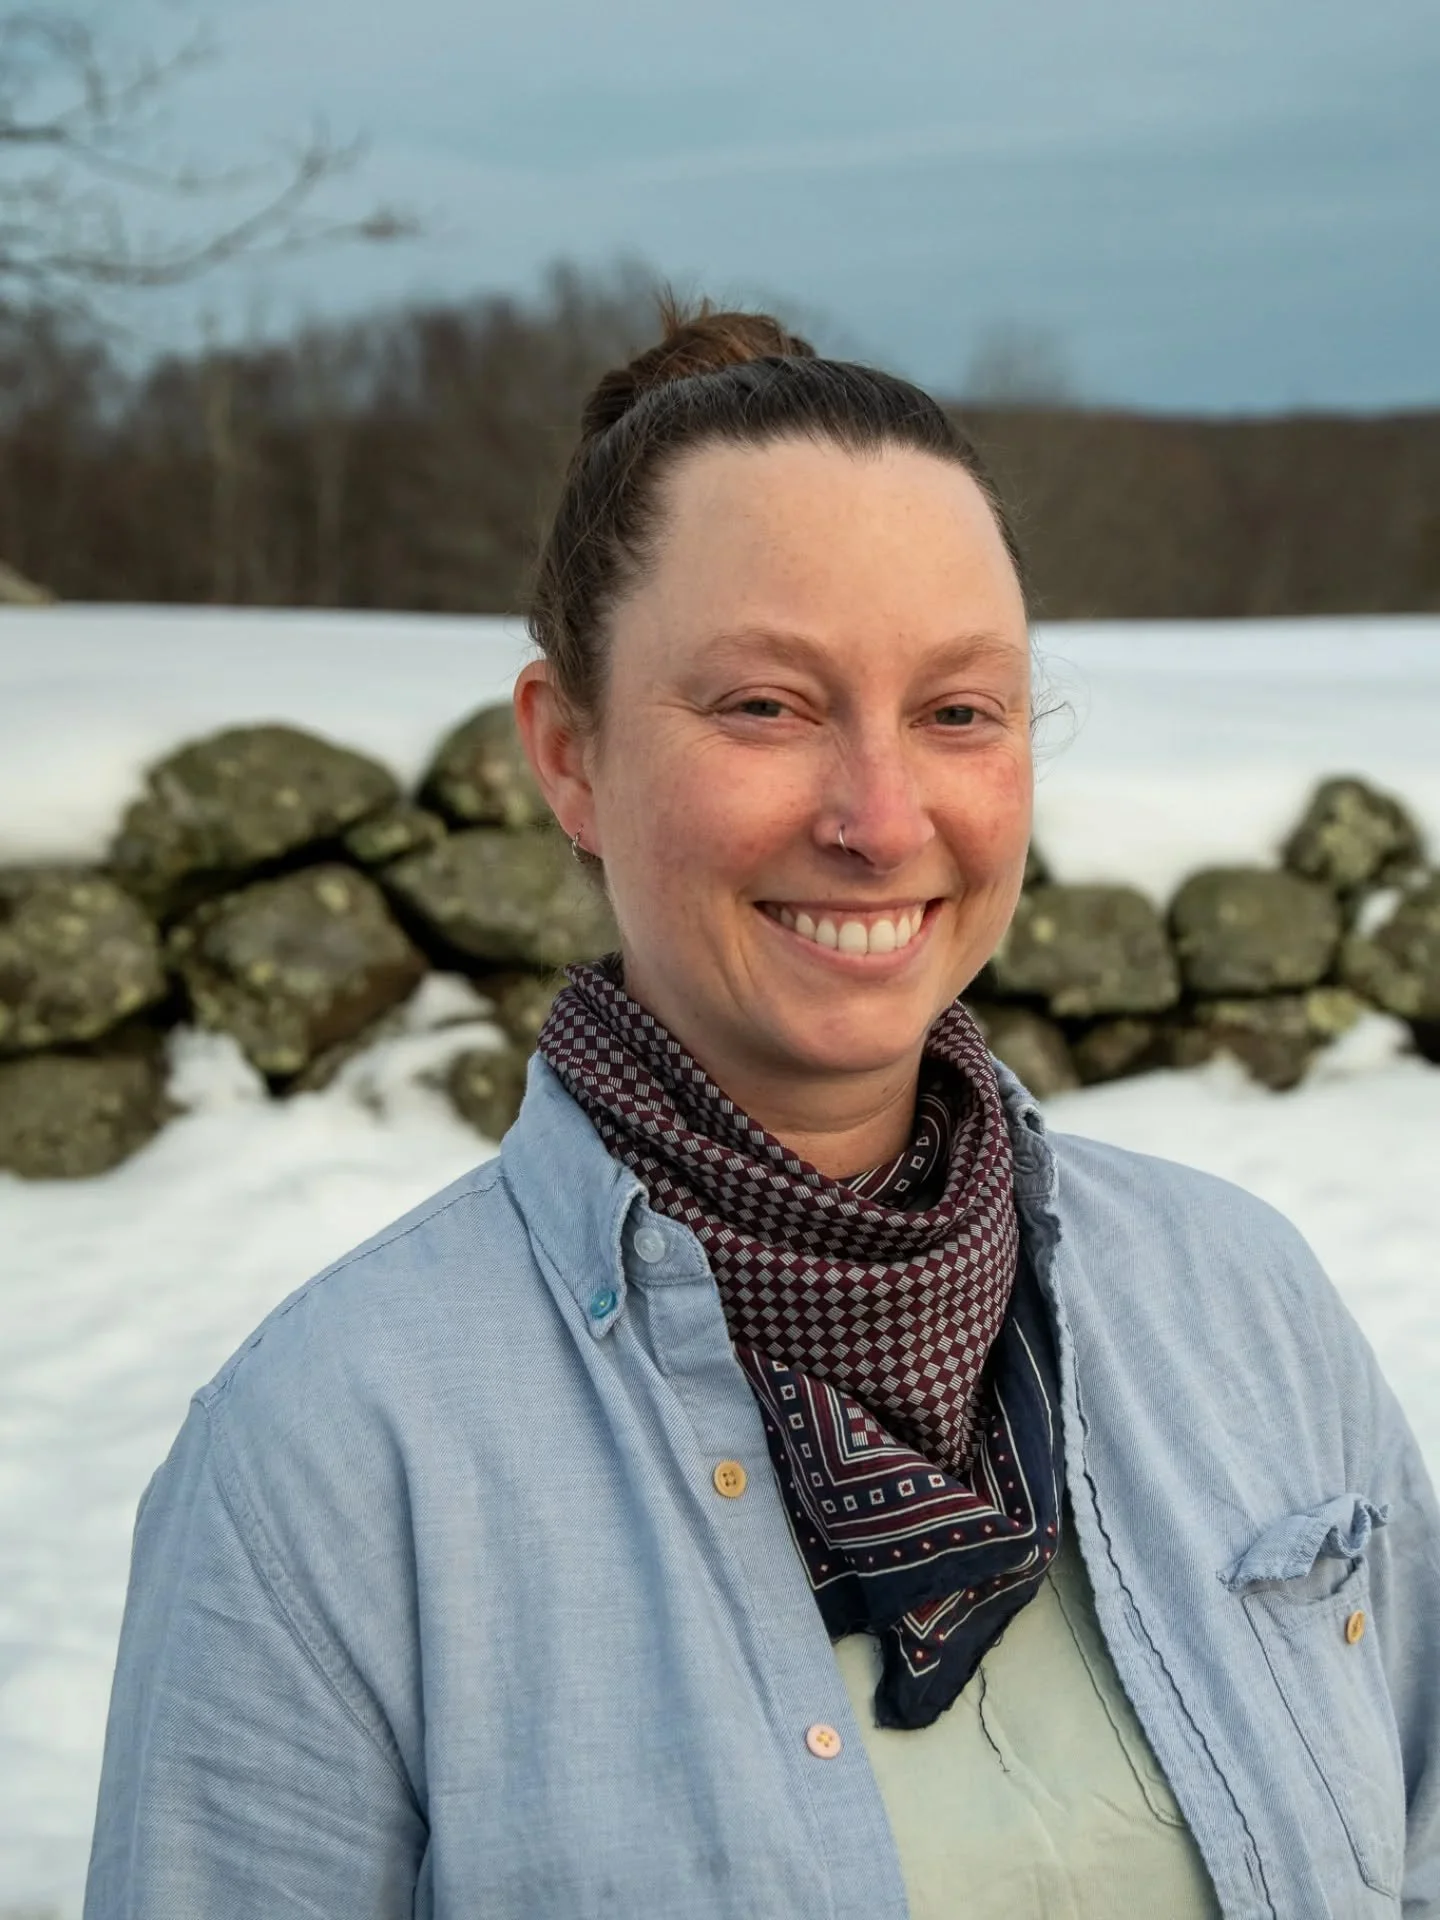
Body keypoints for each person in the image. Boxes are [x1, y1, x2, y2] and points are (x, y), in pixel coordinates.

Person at [85, 302, 1440, 1920]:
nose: (881, 818)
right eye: (766, 707)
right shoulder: (333, 1456)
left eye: (958, 711)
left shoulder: (1241, 1302)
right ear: (567, 753)